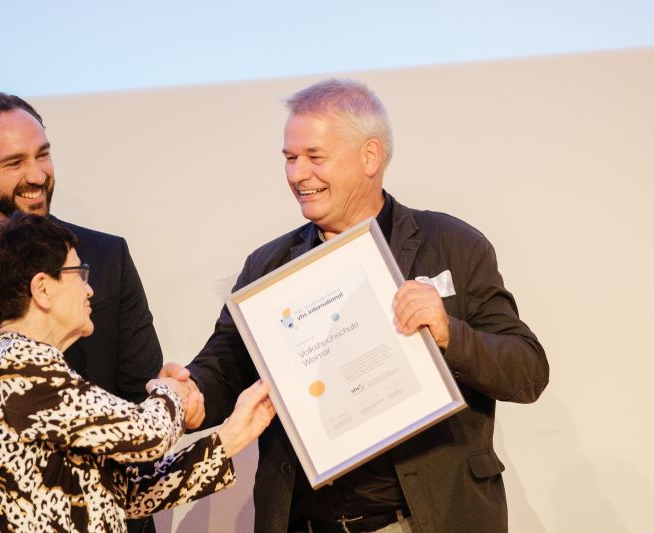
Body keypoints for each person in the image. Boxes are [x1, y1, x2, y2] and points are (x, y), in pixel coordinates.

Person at [166, 79, 550, 533]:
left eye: (314, 157)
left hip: (421, 521)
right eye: (290, 158)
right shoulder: (268, 266)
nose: (297, 175)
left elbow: (528, 371)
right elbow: (226, 365)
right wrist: (191, 399)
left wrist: (450, 334)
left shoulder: (451, 245)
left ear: (369, 157)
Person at [0, 92, 167, 532]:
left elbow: (137, 387)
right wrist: (29, 509)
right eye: (14, 163)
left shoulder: (107, 254)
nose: (37, 175)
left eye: (43, 155)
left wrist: (98, 502)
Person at [0, 213, 275, 532]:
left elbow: (127, 494)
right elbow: (146, 434)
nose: (89, 290)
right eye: (79, 274)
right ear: (42, 289)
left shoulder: (12, 364)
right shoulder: (20, 367)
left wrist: (230, 439)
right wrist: (171, 390)